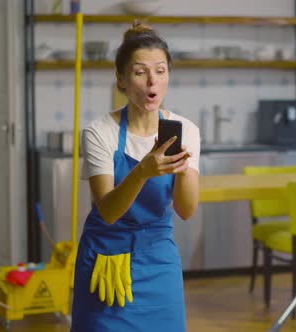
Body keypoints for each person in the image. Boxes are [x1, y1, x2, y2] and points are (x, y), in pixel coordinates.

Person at [70, 21, 200, 332]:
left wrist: (181, 169)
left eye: (160, 70)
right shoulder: (99, 132)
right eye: (140, 72)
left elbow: (185, 210)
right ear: (122, 79)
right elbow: (109, 210)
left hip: (158, 258)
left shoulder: (186, 131)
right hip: (106, 255)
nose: (152, 81)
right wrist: (143, 171)